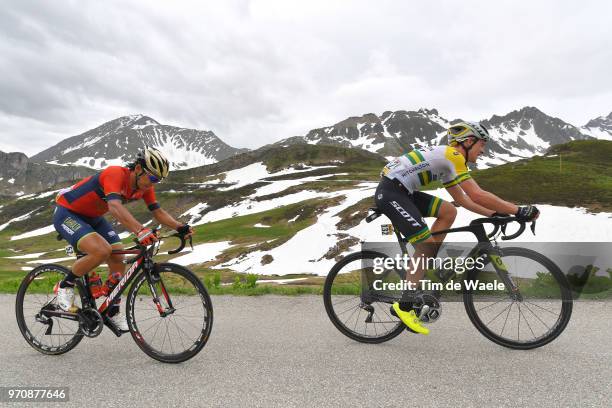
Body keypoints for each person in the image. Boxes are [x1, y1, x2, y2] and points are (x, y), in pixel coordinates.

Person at [375, 122, 539, 335]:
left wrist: (495, 214)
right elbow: (477, 195)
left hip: (402, 192)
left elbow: (463, 200)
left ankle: (426, 257)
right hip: (391, 193)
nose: (483, 151)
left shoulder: (448, 164)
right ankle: (404, 306)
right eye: (482, 145)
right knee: (424, 248)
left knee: (449, 212)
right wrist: (518, 211)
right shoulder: (453, 155)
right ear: (469, 141)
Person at [52, 147, 193, 330]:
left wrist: (180, 227)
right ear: (138, 169)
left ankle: (112, 311)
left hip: (93, 217)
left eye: (157, 180)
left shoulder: (145, 187)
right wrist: (140, 230)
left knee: (118, 257)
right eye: (151, 178)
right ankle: (64, 286)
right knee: (102, 251)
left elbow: (157, 211)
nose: (153, 184)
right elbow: (114, 206)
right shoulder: (115, 174)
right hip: (68, 212)